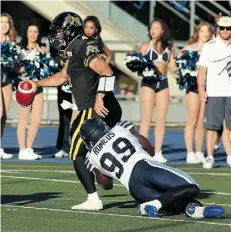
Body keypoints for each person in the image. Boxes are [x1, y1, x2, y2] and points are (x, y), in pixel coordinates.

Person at [29, 12, 122, 210]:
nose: (57, 35)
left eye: (60, 31)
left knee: (76, 152)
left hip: (93, 109)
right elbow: (63, 76)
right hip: (93, 108)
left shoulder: (82, 45)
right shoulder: (71, 49)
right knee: (98, 155)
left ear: (70, 30)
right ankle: (108, 172)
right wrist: (37, 83)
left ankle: (93, 199)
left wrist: (99, 97)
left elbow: (107, 71)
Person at [79, 118, 225, 218]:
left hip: (135, 189)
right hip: (145, 168)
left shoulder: (91, 157)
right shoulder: (120, 127)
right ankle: (155, 204)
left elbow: (106, 185)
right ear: (102, 126)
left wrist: (98, 169)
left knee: (173, 201)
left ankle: (197, 209)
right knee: (192, 187)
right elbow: (146, 145)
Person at [173, 23, 213, 164]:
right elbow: (178, 63)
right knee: (192, 120)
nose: (205, 34)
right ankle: (190, 152)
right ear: (197, 32)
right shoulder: (190, 48)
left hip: (208, 87)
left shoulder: (212, 48)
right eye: (202, 31)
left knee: (202, 122)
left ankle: (199, 151)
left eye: (208, 31)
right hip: (192, 88)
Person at [139, 19, 176, 163]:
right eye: (151, 28)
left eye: (156, 28)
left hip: (163, 83)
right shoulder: (144, 46)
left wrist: (176, 65)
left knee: (161, 119)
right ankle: (143, 151)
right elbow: (139, 65)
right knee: (146, 119)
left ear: (162, 31)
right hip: (148, 83)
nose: (153, 30)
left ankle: (158, 152)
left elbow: (172, 66)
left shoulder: (169, 48)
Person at [198, 16, 231, 169]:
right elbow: (202, 70)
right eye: (222, 28)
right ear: (218, 28)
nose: (225, 31)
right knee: (211, 126)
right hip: (214, 92)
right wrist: (201, 89)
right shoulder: (209, 46)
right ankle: (210, 156)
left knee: (230, 127)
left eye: (229, 28)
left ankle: (230, 156)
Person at [16, 19, 49, 160]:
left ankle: (29, 148)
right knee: (23, 120)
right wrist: (23, 71)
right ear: (26, 33)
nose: (33, 34)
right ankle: (22, 150)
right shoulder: (20, 50)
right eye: (30, 31)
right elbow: (14, 67)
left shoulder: (43, 50)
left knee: (36, 119)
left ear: (38, 34)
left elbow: (48, 69)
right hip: (24, 89)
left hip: (38, 88)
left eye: (35, 31)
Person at [0, 13, 16, 159]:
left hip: (6, 79)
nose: (4, 25)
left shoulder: (11, 42)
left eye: (6, 22)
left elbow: (15, 65)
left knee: (4, 115)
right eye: (1, 22)